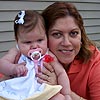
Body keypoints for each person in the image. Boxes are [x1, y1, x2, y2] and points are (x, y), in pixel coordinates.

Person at [0, 1, 100, 100]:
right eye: (57, 34)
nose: (66, 43)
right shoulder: (19, 55)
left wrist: (60, 88)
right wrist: (11, 74)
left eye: (73, 33)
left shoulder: (95, 62)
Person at [0, 10, 62, 100]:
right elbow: (2, 63)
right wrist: (12, 68)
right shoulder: (17, 52)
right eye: (28, 42)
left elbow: (61, 73)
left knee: (60, 98)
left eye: (40, 40)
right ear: (17, 40)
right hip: (18, 92)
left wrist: (67, 93)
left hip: (43, 92)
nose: (34, 46)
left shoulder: (48, 55)